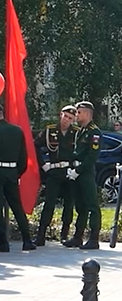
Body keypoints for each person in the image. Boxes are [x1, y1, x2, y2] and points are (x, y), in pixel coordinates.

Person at [33, 104, 79, 246]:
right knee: (49, 203)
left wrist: (77, 167)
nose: (66, 120)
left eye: (70, 118)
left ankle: (64, 235)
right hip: (54, 171)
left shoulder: (77, 132)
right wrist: (43, 165)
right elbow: (35, 146)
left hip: (69, 172)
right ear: (61, 115)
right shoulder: (50, 130)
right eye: (65, 116)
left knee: (69, 203)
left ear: (73, 120)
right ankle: (41, 236)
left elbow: (83, 150)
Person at [63, 101, 102, 250]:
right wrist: (71, 167)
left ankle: (94, 238)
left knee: (91, 204)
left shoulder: (94, 132)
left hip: (85, 173)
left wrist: (78, 171)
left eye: (79, 112)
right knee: (80, 206)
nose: (76, 115)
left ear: (86, 113)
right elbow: (76, 152)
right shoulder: (81, 131)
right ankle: (78, 236)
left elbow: (92, 156)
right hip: (76, 172)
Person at [0, 101, 36, 252]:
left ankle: (3, 243)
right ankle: (27, 240)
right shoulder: (17, 130)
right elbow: (23, 158)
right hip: (12, 172)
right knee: (17, 207)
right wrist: (16, 173)